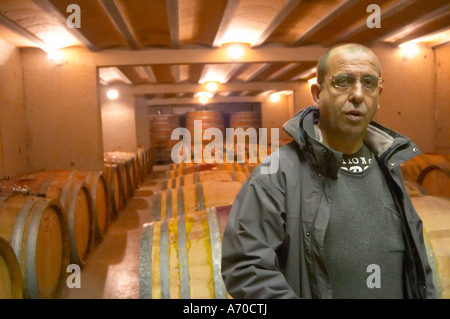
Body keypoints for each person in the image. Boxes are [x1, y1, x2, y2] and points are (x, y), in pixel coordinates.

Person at [221, 43, 436, 299]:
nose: (358, 94)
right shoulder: (275, 176)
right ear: (316, 93)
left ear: (378, 93)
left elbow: (418, 262)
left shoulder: (388, 166)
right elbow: (246, 268)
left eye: (368, 83)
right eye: (343, 81)